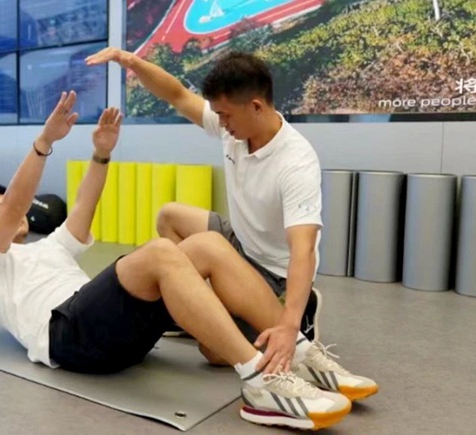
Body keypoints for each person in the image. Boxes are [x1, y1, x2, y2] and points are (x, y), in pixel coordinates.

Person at [0, 91, 351, 430]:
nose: (8, 212)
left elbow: (83, 207)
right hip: (67, 337)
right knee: (161, 252)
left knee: (208, 244)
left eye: (4, 205)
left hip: (112, 331)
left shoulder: (51, 247)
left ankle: (297, 351)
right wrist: (45, 142)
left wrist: (101, 154)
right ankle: (260, 380)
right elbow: (15, 207)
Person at [85, 48, 378, 400]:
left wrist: (288, 326)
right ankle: (199, 303)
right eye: (218, 115)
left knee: (213, 352)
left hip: (273, 271)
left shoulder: (296, 162)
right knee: (169, 216)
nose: (220, 123)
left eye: (225, 115)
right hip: (239, 239)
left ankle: (296, 318)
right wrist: (131, 62)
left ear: (256, 106)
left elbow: (303, 251)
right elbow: (176, 94)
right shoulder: (235, 127)